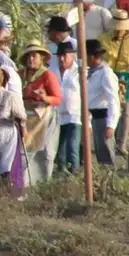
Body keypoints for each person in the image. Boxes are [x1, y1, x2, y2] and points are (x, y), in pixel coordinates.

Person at [100, 10, 129, 155]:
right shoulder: (103, 39)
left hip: (128, 79)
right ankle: (108, 142)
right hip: (109, 76)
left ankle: (121, 144)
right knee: (110, 109)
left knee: (127, 111)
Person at [19, 42, 62, 185]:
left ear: (41, 58)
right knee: (24, 150)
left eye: (34, 56)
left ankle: (42, 182)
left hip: (43, 117)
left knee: (43, 152)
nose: (31, 59)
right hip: (25, 115)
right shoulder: (21, 74)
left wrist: (44, 98)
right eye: (29, 56)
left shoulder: (47, 75)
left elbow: (57, 98)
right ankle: (24, 182)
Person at [85, 40, 120, 166]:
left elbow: (113, 100)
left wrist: (111, 124)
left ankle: (110, 179)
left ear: (92, 57)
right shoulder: (90, 72)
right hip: (95, 116)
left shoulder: (106, 74)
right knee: (100, 153)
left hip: (104, 117)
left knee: (107, 153)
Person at [54, 41, 83, 174]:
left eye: (65, 55)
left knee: (73, 147)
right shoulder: (53, 72)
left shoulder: (79, 72)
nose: (61, 58)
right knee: (60, 149)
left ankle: (75, 173)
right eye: (59, 55)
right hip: (58, 116)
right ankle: (62, 174)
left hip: (75, 115)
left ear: (72, 56)